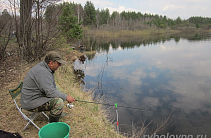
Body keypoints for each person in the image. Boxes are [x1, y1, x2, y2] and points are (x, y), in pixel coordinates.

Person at [20, 51, 75, 123]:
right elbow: (51, 92)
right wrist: (66, 97)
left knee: (57, 89)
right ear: (51, 63)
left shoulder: (45, 67)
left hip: (33, 96)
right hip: (30, 102)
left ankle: (56, 113)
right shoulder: (43, 72)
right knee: (59, 102)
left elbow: (51, 88)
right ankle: (53, 125)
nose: (60, 65)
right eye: (58, 63)